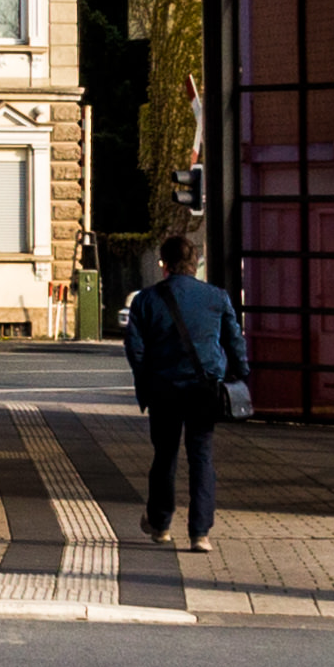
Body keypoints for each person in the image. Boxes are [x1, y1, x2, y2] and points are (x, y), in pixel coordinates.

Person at [124, 229, 246, 549]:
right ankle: (200, 533)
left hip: (163, 390)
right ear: (195, 263)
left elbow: (135, 349)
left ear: (164, 263)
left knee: (164, 456)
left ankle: (160, 524)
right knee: (201, 457)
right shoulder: (217, 297)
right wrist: (241, 375)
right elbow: (235, 342)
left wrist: (147, 380)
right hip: (203, 390)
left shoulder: (146, 300)